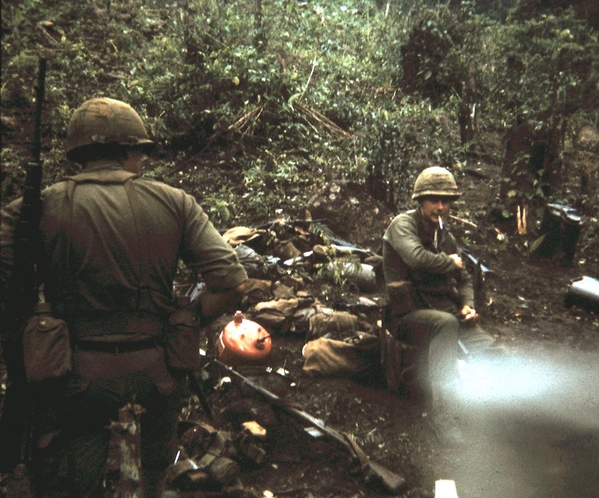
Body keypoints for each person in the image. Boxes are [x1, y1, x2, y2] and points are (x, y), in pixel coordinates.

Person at [0, 97, 248, 497]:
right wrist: (188, 317)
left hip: (72, 378)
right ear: (130, 150)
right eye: (141, 152)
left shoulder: (40, 206)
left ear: (79, 154)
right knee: (153, 473)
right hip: (157, 375)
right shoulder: (174, 202)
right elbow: (232, 282)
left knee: (70, 477)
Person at [382, 166, 498, 447]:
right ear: (420, 200)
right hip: (408, 317)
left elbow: (465, 277)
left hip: (446, 312)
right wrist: (450, 263)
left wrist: (468, 305)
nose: (441, 206)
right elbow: (416, 258)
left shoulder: (444, 236)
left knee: (493, 350)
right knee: (444, 325)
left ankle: (495, 410)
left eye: (446, 201)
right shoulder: (403, 225)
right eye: (434, 199)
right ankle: (442, 414)